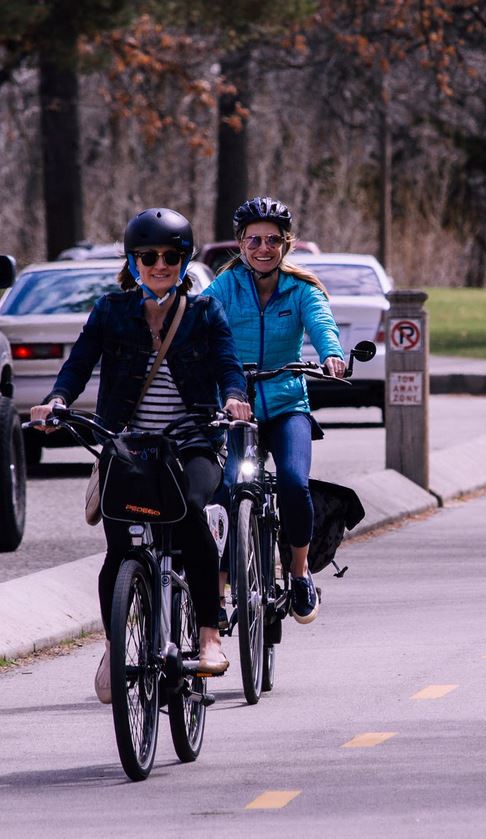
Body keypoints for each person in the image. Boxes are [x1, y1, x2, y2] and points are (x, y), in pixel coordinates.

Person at [30, 208, 252, 702]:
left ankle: (209, 636)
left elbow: (228, 365)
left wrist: (234, 397)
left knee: (191, 512)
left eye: (171, 257)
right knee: (121, 549)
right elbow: (79, 364)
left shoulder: (203, 313)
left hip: (191, 440)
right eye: (148, 256)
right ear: (132, 261)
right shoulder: (111, 310)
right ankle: (116, 642)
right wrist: (58, 401)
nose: (159, 265)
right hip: (127, 445)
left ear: (184, 261)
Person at [202, 196, 345, 625]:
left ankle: (299, 575)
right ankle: (220, 591)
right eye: (253, 241)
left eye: (272, 240)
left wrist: (332, 355)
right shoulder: (224, 287)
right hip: (236, 407)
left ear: (286, 244)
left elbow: (322, 325)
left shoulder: (302, 289)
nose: (263, 249)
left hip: (286, 405)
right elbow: (197, 322)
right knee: (225, 490)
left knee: (294, 485)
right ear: (241, 244)